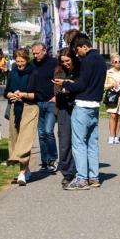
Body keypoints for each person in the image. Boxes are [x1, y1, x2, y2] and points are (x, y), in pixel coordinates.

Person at [58, 34, 105, 190]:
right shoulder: (101, 60)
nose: (77, 54)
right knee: (92, 143)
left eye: (78, 50)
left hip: (83, 104)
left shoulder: (87, 61)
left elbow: (81, 85)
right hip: (95, 105)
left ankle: (81, 179)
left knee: (78, 143)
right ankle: (94, 177)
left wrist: (65, 83)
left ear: (84, 46)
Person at [5, 50, 40, 184]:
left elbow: (38, 95)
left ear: (27, 60)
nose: (19, 64)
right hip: (15, 108)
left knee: (25, 140)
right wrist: (11, 95)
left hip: (30, 108)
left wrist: (23, 95)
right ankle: (25, 169)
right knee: (15, 139)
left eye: (22, 62)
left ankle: (21, 174)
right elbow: (7, 91)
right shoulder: (12, 72)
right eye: (17, 61)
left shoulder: (34, 73)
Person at [29, 42, 58, 171]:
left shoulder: (54, 63)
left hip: (51, 102)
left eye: (37, 53)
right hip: (38, 102)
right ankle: (44, 161)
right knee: (41, 134)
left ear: (44, 51)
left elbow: (61, 79)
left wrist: (56, 95)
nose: (35, 55)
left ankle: (53, 159)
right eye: (33, 53)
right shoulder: (32, 64)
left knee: (48, 131)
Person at [52, 48, 78, 186]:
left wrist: (69, 88)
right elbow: (57, 91)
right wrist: (67, 89)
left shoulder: (79, 71)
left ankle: (81, 170)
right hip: (63, 108)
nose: (65, 63)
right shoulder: (58, 71)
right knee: (64, 142)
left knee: (79, 142)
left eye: (67, 61)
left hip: (77, 108)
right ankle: (68, 172)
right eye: (63, 61)